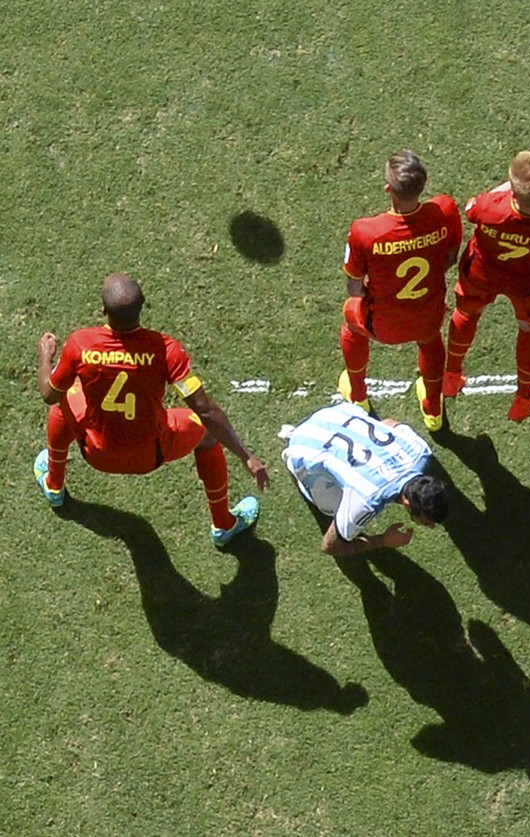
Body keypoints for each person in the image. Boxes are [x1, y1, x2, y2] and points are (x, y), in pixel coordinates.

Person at [34, 274, 268, 546]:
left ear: (103, 310)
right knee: (206, 435)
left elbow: (49, 394)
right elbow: (206, 411)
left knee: (65, 399)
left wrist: (46, 358)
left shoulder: (80, 344)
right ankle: (223, 525)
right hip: (152, 453)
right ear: (143, 304)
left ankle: (54, 485)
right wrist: (246, 456)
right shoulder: (166, 350)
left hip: (96, 452)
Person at [444, 150, 530, 422]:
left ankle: (451, 374)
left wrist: (509, 185)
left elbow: (471, 209)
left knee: (467, 314)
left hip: (481, 275)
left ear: (514, 193)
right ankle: (522, 398)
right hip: (528, 288)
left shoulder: (491, 206)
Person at [340, 149, 463, 431]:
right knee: (431, 344)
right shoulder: (444, 210)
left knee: (350, 318)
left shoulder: (365, 231)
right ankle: (433, 411)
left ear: (388, 189)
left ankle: (358, 396)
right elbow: (450, 257)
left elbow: (354, 288)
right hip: (429, 314)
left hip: (382, 323)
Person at [280, 403, 449, 556]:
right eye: (426, 523)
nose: (431, 527)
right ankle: (291, 448)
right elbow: (330, 546)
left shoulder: (420, 451)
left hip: (336, 413)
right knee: (332, 508)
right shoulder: (366, 499)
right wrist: (382, 540)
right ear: (407, 504)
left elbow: (390, 423)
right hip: (303, 446)